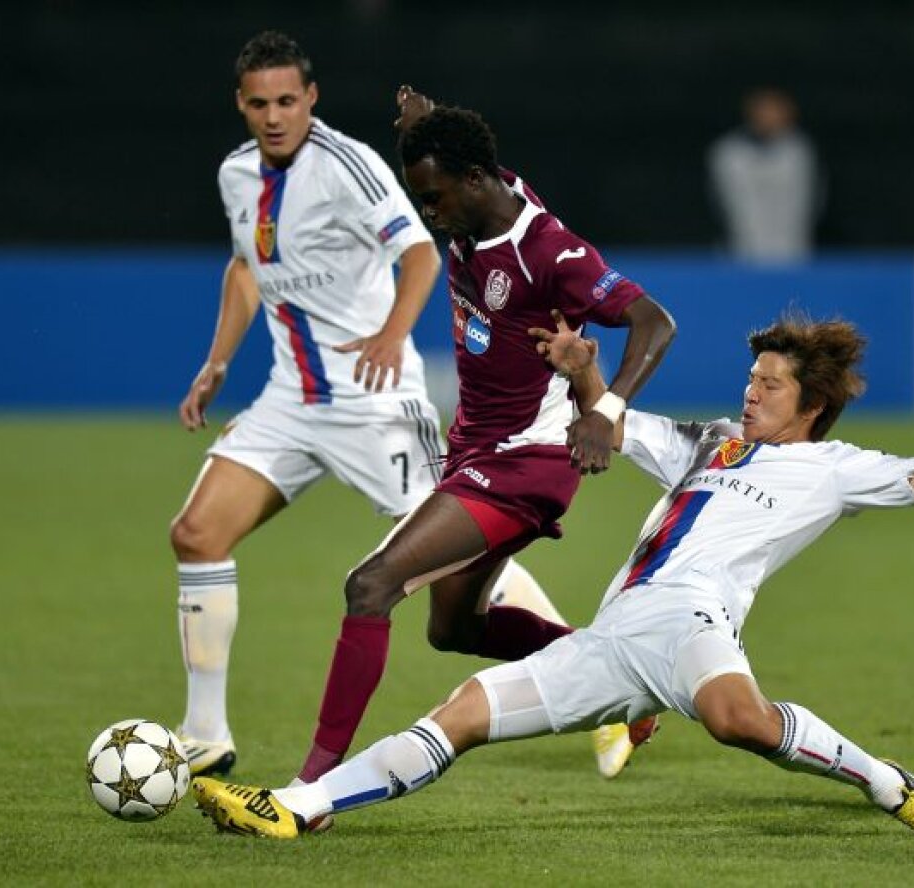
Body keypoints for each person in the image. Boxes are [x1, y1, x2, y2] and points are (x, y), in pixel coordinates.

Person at [191, 310, 914, 840]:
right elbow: (614, 426)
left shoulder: (834, 468)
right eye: (751, 377)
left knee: (739, 721)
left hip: (696, 623)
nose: (750, 391)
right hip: (614, 637)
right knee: (462, 712)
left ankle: (889, 784)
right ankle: (297, 808)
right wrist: (587, 373)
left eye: (770, 385)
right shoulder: (710, 442)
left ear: (812, 404)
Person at [170, 33, 563, 778]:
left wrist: (389, 334)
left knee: (460, 553)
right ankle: (204, 732)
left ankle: (578, 657)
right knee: (196, 534)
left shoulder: (346, 165)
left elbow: (417, 252)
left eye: (288, 101)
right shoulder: (236, 174)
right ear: (241, 105)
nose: (274, 116)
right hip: (291, 400)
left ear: (311, 98)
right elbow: (246, 269)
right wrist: (216, 363)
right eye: (260, 104)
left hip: (375, 400)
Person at [287, 90, 677, 787]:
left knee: (370, 586)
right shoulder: (480, 192)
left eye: (433, 198)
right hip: (476, 451)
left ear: (473, 181)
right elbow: (459, 151)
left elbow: (655, 321)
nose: (428, 214)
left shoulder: (549, 251)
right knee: (454, 632)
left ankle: (310, 786)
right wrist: (421, 126)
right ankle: (623, 685)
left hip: (527, 461)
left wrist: (604, 411)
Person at [708, 88, 820, 260]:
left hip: (793, 253)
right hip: (741, 253)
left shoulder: (800, 151)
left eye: (775, 111)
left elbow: (809, 204)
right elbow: (726, 205)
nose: (769, 117)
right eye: (764, 110)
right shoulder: (729, 152)